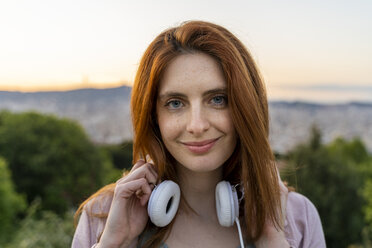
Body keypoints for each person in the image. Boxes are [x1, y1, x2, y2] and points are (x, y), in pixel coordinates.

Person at [72, 20, 326, 248]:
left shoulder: (297, 217)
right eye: (175, 103)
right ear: (153, 117)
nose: (196, 125)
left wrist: (274, 242)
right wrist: (116, 244)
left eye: (217, 99)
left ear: (247, 106)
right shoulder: (104, 217)